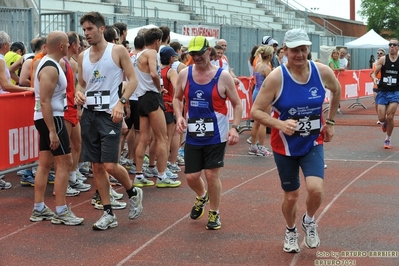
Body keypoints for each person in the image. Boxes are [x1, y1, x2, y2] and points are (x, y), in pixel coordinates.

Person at [251, 29, 341, 252]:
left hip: (312, 142)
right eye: (294, 50)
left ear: (308, 49)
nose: (299, 54)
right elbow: (255, 111)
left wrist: (330, 123)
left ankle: (309, 221)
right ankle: (290, 230)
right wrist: (280, 124)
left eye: (303, 49)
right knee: (291, 197)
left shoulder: (321, 71)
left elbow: (336, 90)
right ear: (285, 51)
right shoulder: (276, 77)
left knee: (316, 189)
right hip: (285, 146)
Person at [75, 11, 143, 230]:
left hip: (110, 115)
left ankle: (133, 191)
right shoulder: (82, 56)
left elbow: (133, 80)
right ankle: (108, 212)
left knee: (110, 165)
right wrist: (78, 93)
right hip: (89, 115)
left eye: (90, 29)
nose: (86, 33)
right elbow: (81, 84)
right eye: (84, 30)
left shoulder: (118, 50)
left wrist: (121, 103)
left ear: (101, 28)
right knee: (96, 166)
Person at [173, 36, 243, 230]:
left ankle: (214, 213)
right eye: (192, 54)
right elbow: (177, 99)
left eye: (199, 53)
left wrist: (235, 127)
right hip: (194, 134)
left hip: (216, 134)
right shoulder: (185, 74)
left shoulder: (223, 76)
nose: (196, 57)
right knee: (191, 177)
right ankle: (202, 196)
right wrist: (179, 116)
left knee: (212, 175)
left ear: (209, 52)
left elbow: (237, 104)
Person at [30, 30, 84, 225]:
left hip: (48, 118)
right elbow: (44, 101)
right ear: (61, 46)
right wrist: (52, 130)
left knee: (45, 164)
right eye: (68, 43)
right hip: (53, 119)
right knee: (64, 163)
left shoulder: (49, 64)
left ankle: (38, 208)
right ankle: (61, 210)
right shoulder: (51, 67)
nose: (72, 45)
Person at [132, 27, 181, 188]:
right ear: (157, 41)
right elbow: (154, 73)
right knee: (162, 138)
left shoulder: (136, 55)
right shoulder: (152, 53)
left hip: (140, 97)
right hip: (151, 96)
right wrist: (159, 88)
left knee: (144, 137)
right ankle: (161, 176)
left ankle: (139, 175)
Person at [372, 39, 399, 149]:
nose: (391, 46)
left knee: (390, 116)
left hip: (395, 92)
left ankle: (388, 139)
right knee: (382, 118)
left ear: (398, 47)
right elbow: (374, 73)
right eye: (390, 45)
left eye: (394, 45)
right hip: (383, 91)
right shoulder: (383, 59)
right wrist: (374, 79)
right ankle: (385, 123)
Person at [248, 45, 273, 157]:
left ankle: (253, 146)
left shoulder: (257, 65)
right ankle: (261, 147)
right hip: (263, 94)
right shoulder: (266, 68)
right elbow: (270, 84)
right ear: (270, 56)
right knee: (263, 121)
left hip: (256, 92)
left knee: (257, 122)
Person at [371, 48, 386, 122]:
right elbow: (373, 73)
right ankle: (379, 117)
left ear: (384, 55)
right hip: (376, 84)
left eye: (381, 53)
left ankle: (384, 115)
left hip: (384, 84)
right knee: (376, 101)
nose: (379, 54)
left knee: (384, 101)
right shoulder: (374, 63)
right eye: (378, 53)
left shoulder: (386, 63)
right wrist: (372, 77)